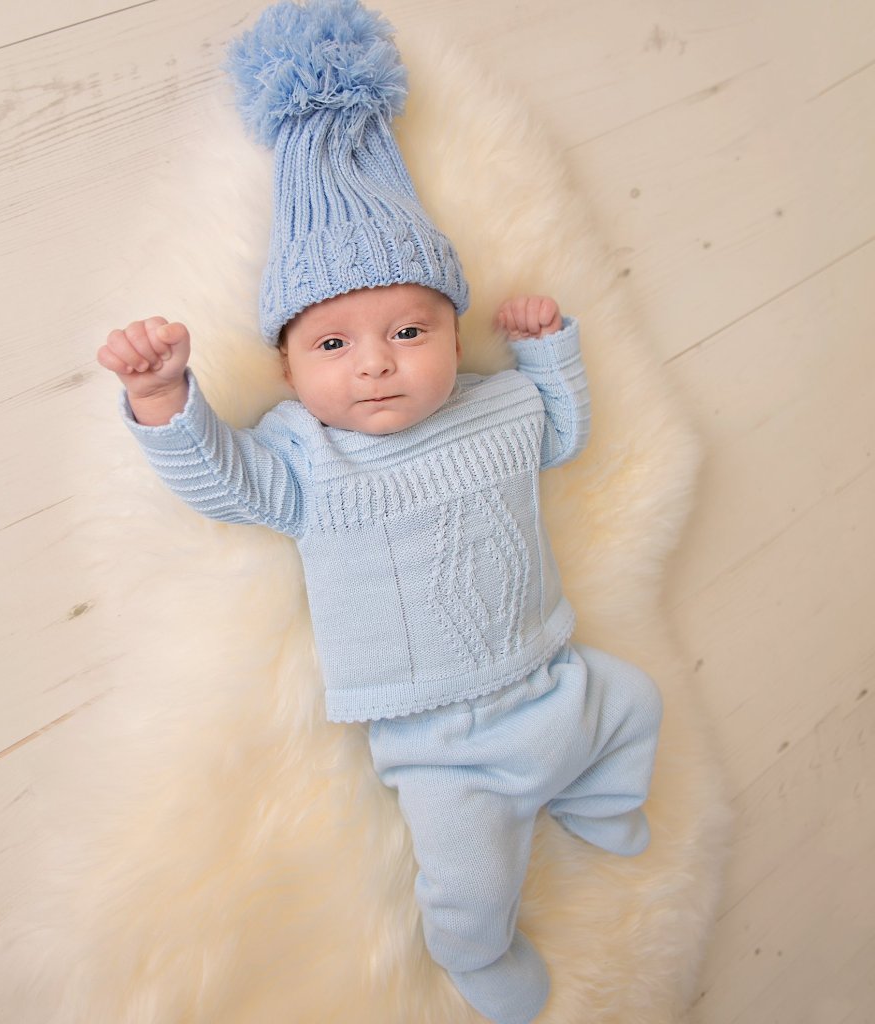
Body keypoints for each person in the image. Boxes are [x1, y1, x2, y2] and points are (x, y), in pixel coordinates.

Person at [96, 2, 662, 1022]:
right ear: (283, 367)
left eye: (409, 327)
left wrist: (547, 351)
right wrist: (163, 399)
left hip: (554, 677)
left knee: (638, 704)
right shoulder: (304, 455)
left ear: (452, 331)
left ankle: (595, 790)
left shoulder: (497, 404)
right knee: (467, 880)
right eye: (333, 345)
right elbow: (221, 482)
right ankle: (477, 954)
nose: (377, 361)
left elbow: (565, 433)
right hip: (441, 742)